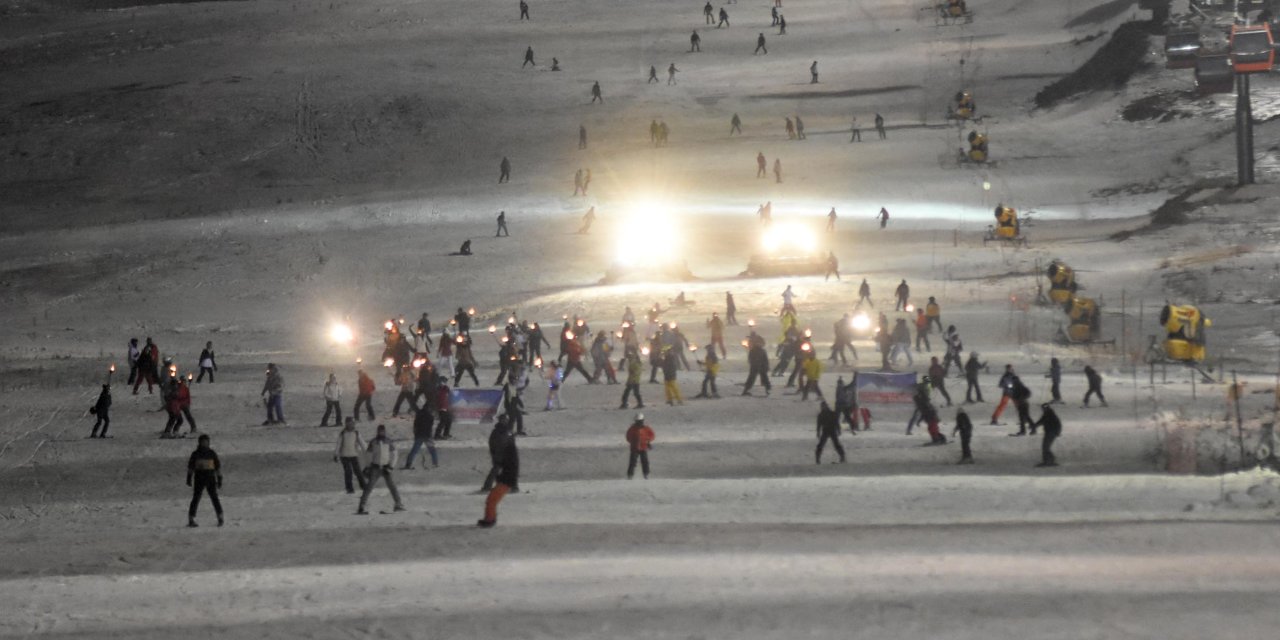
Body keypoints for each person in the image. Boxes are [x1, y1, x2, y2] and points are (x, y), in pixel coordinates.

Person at [478, 418, 519, 527]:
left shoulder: (501, 437)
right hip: (506, 477)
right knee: (491, 500)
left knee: (491, 500)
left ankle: (490, 520)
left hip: (506, 478)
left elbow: (508, 467)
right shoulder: (508, 442)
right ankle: (490, 518)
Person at [186, 434, 224, 527]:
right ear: (199, 443)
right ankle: (191, 518)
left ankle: (220, 517)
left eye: (206, 442)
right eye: (203, 442)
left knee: (214, 498)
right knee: (196, 498)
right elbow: (191, 467)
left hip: (210, 478)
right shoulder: (195, 454)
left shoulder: (211, 453)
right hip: (199, 478)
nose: (204, 444)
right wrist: (189, 477)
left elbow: (217, 467)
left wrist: (219, 479)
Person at [333, 418, 368, 493]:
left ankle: (364, 486)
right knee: (348, 472)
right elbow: (338, 445)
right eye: (349, 423)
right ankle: (349, 489)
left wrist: (367, 450)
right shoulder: (343, 433)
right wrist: (336, 454)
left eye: (352, 423)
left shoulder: (356, 433)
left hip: (354, 455)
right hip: (344, 456)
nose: (351, 425)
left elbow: (362, 443)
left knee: (358, 471)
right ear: (346, 424)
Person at [481, 416, 513, 492]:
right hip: (499, 453)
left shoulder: (507, 429)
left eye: (506, 419)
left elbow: (510, 440)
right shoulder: (497, 431)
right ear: (501, 420)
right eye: (504, 420)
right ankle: (487, 486)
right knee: (497, 469)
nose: (506, 421)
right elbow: (492, 443)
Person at [404, 404, 438, 469]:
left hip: (419, 435)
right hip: (427, 436)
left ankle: (408, 464)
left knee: (414, 450)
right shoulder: (430, 416)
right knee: (432, 450)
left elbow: (415, 425)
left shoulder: (418, 415)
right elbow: (430, 426)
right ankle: (435, 463)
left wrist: (415, 434)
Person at [625, 414, 656, 479]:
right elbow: (628, 437)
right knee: (633, 462)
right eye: (638, 421)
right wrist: (633, 442)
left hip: (643, 447)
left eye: (640, 421)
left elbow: (652, 435)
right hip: (634, 448)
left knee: (645, 461)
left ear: (643, 421)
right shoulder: (632, 428)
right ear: (635, 421)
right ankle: (630, 475)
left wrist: (648, 441)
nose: (639, 422)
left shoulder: (646, 428)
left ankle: (646, 474)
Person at [742, 331, 772, 395]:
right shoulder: (752, 342)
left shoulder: (758, 341)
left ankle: (767, 389)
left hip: (759, 358)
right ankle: (746, 390)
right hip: (756, 359)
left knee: (762, 376)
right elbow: (749, 348)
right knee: (753, 376)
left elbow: (762, 344)